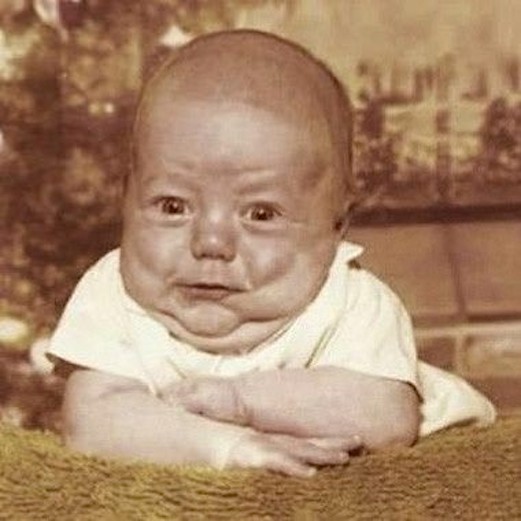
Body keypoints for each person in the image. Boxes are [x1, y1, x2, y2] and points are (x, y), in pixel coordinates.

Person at [46, 30, 495, 478]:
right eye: (173, 206)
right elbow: (92, 422)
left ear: (336, 225)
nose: (210, 243)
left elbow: (385, 418)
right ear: (126, 198)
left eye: (260, 214)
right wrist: (230, 445)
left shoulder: (350, 300)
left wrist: (241, 402)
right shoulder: (112, 293)